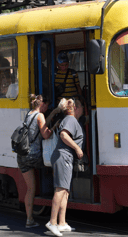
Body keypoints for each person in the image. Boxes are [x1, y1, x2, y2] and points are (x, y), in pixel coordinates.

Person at [17, 95, 61, 228]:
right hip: (34, 156)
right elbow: (46, 134)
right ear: (41, 105)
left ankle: (29, 220)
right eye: (46, 105)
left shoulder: (29, 114)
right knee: (56, 166)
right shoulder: (39, 116)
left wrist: (53, 114)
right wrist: (55, 128)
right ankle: (57, 196)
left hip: (22, 156)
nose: (46, 108)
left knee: (30, 188)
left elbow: (39, 125)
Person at [46, 98, 84, 236]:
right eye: (80, 105)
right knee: (60, 189)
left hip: (65, 157)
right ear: (74, 108)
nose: (82, 108)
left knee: (65, 191)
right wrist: (77, 149)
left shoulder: (70, 120)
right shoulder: (70, 119)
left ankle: (61, 223)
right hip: (64, 156)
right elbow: (63, 135)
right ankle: (52, 222)